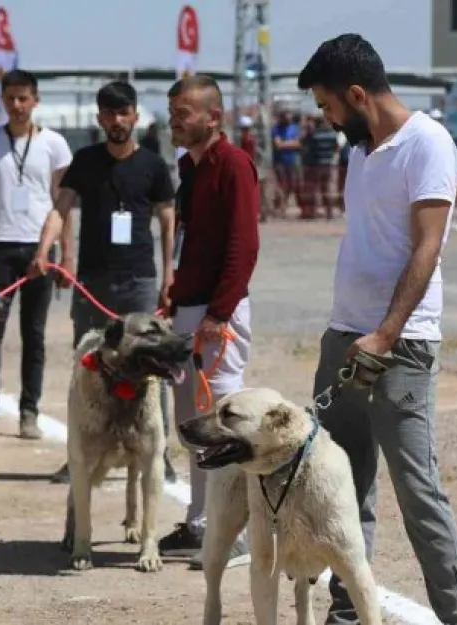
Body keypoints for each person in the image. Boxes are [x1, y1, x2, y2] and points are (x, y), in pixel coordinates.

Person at [297, 34, 457, 625]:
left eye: (328, 106)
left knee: (418, 491)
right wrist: (349, 335)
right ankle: (348, 615)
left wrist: (386, 333)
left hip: (401, 345)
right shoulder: (359, 151)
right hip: (343, 337)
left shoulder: (428, 143)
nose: (326, 119)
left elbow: (428, 248)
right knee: (343, 490)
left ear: (356, 94)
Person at [28, 81, 180, 484]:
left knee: (150, 367)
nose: (116, 121)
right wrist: (45, 251)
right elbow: (61, 210)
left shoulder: (152, 166)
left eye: (123, 112)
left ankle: (157, 455)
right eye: (109, 114)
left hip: (140, 280)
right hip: (93, 281)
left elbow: (168, 220)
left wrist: (169, 275)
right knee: (88, 365)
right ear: (100, 119)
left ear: (134, 115)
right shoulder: (86, 162)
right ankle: (78, 454)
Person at [158, 74, 259, 571]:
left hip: (219, 314)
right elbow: (190, 246)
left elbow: (244, 246)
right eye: (172, 111)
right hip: (190, 309)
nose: (175, 120)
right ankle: (199, 524)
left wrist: (219, 314)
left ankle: (235, 533)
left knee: (222, 422)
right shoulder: (189, 169)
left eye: (184, 113)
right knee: (192, 422)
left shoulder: (234, 166)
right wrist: (175, 299)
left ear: (212, 118)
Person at [0, 69, 73, 440]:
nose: (17, 105)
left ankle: (29, 411)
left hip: (40, 248)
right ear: (2, 100)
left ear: (35, 101)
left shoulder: (55, 145)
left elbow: (64, 204)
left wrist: (66, 256)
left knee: (34, 334)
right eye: (10, 98)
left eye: (23, 98)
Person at [271, 109, 302, 215]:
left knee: (292, 184)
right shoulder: (276, 129)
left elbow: (298, 143)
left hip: (292, 160)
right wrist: (290, 144)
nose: (288, 120)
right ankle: (281, 207)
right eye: (286, 118)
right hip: (279, 161)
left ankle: (285, 205)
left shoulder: (294, 128)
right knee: (281, 184)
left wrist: (284, 144)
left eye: (289, 118)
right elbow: (277, 145)